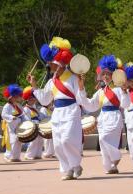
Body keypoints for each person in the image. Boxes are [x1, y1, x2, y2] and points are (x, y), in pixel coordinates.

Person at [28, 37, 84, 180]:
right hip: (57, 113)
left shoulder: (73, 78)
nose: (51, 66)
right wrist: (34, 85)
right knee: (58, 144)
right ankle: (68, 170)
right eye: (51, 64)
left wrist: (82, 85)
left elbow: (81, 97)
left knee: (66, 140)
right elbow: (45, 99)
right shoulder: (52, 81)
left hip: (71, 110)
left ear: (61, 64)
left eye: (53, 64)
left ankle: (75, 164)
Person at [77, 55, 130, 174]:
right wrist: (81, 89)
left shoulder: (119, 89)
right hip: (103, 118)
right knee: (103, 141)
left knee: (106, 139)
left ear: (114, 75)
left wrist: (125, 92)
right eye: (104, 74)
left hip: (115, 117)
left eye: (108, 74)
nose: (105, 76)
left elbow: (126, 105)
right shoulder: (100, 92)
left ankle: (115, 157)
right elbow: (90, 105)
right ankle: (111, 166)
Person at [1, 84, 25, 162]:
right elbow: (3, 115)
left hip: (18, 125)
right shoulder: (7, 106)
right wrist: (12, 117)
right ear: (10, 97)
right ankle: (8, 156)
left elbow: (23, 114)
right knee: (12, 140)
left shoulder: (19, 105)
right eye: (15, 96)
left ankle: (16, 157)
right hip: (10, 126)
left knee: (19, 140)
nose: (16, 98)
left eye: (17, 96)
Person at [22, 86, 44, 160]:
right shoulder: (26, 109)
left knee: (40, 140)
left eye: (34, 98)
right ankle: (29, 155)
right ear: (27, 100)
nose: (33, 100)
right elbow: (27, 119)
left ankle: (38, 154)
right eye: (31, 99)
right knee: (33, 141)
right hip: (32, 126)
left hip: (38, 125)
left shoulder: (35, 108)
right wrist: (33, 124)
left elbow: (40, 116)